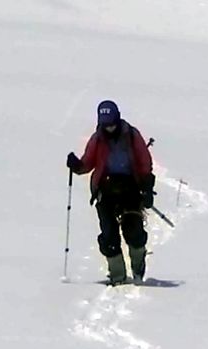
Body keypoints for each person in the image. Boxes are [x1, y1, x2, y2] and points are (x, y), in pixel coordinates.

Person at [66, 100, 155, 285]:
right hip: (105, 191)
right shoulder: (97, 138)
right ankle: (118, 277)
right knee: (109, 235)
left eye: (112, 124)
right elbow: (88, 163)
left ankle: (138, 270)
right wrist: (77, 166)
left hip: (130, 189)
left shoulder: (131, 135)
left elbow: (144, 162)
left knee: (134, 232)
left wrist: (146, 188)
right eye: (106, 125)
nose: (109, 128)